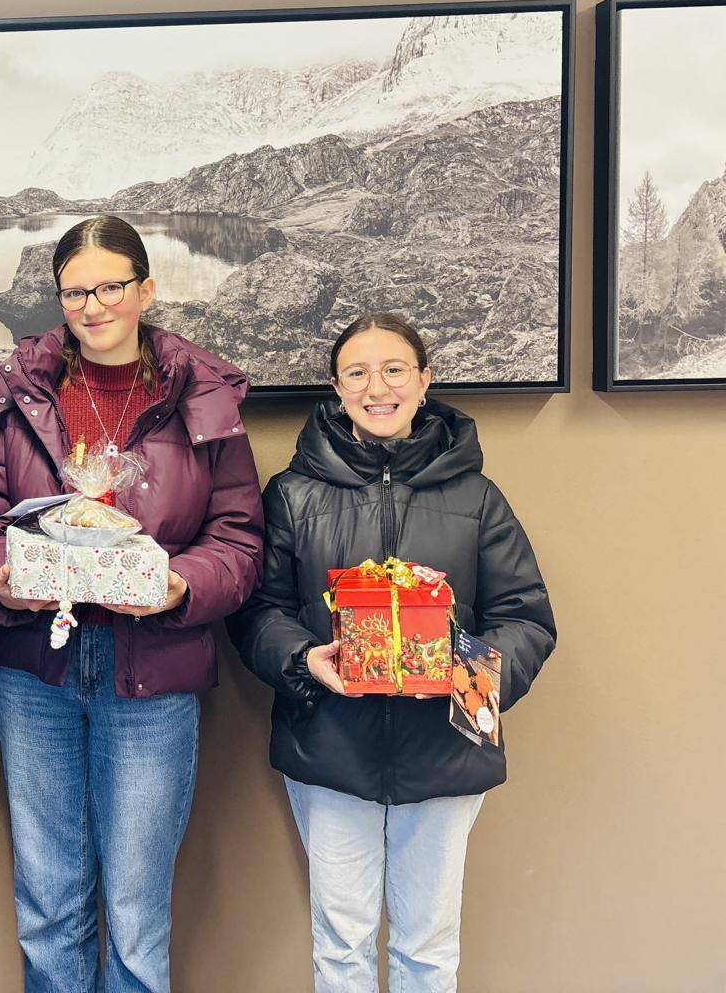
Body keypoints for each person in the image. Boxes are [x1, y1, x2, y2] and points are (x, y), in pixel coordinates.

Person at [0, 215, 263, 993]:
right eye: (75, 292)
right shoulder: (18, 394)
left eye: (109, 287)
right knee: (49, 906)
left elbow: (240, 541)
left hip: (152, 678)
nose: (92, 306)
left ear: (146, 289)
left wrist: (179, 584)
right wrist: (1, 577)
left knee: (134, 912)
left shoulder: (205, 399)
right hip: (36, 673)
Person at [227, 312, 557, 993]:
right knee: (340, 944)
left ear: (425, 380)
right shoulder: (293, 495)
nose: (377, 387)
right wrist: (304, 661)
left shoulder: (477, 498)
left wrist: (465, 673)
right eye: (357, 372)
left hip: (446, 748)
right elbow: (258, 610)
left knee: (428, 948)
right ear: (336, 387)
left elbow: (525, 617)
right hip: (328, 744)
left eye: (394, 368)